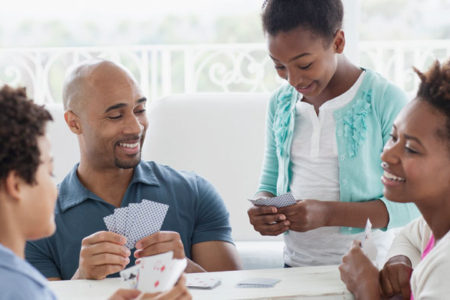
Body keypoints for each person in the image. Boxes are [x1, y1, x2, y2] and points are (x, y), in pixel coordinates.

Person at [25, 59, 242, 281]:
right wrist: (81, 280)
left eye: (139, 110)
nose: (135, 127)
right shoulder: (38, 219)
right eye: (116, 116)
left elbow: (238, 294)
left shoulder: (194, 193)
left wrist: (185, 267)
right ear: (74, 123)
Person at [247, 0, 419, 267]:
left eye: (304, 65)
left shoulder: (384, 100)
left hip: (371, 273)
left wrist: (328, 213)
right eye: (279, 66)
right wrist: (263, 208)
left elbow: (412, 204)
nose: (292, 79)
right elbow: (268, 184)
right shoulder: (280, 104)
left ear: (338, 42)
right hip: (295, 268)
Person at [0, 85, 191, 299]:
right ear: (15, 185)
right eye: (49, 172)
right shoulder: (21, 290)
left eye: (139, 110)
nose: (55, 189)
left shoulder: (18, 280)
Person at [339, 59, 450, 299]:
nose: (387, 153)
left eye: (410, 148)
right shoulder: (433, 226)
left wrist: (365, 288)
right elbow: (407, 237)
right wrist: (400, 260)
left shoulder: (445, 269)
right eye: (393, 137)